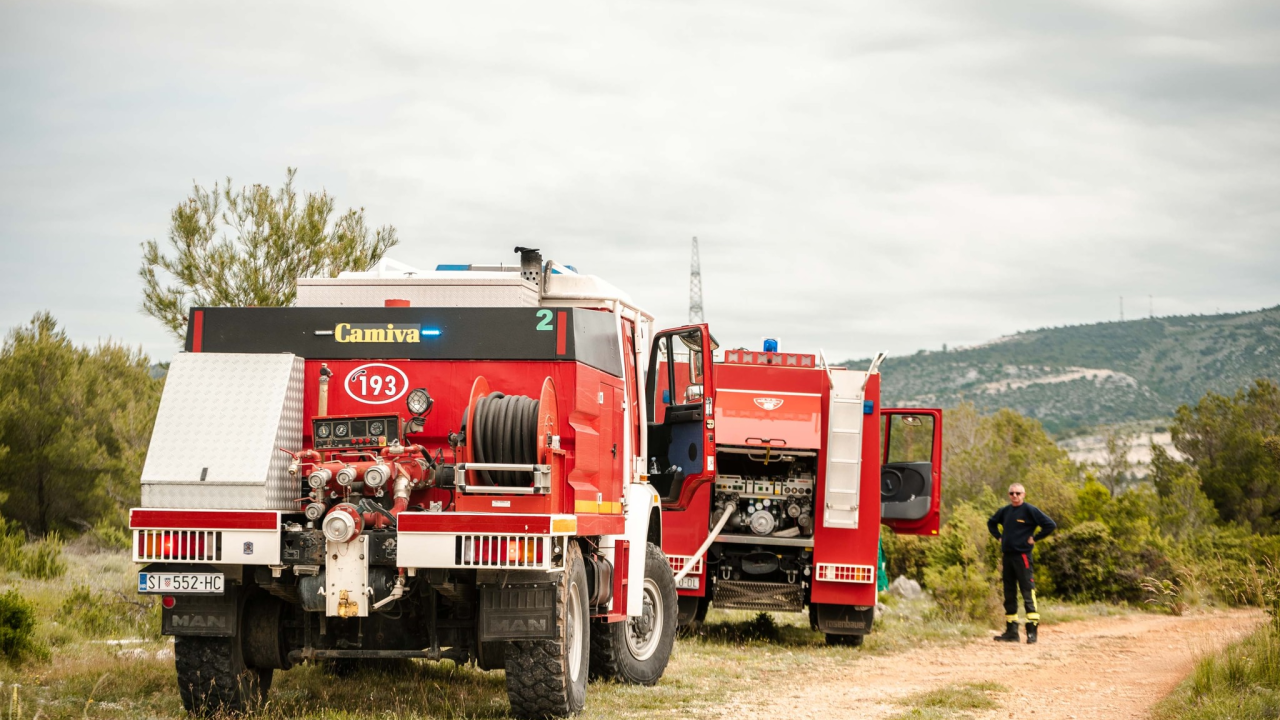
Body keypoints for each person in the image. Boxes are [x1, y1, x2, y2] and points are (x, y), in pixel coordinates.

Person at [987, 483, 1056, 644]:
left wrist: (1035, 538)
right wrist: (999, 536)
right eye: (1012, 493)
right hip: (1008, 557)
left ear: (1024, 494)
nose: (1015, 496)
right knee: (1009, 593)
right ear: (1008, 494)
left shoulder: (1030, 510)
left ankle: (1032, 632)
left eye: (1018, 493)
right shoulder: (1005, 511)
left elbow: (1050, 525)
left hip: (1023, 556)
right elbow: (991, 523)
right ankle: (1012, 632)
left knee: (1027, 592)